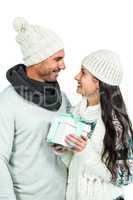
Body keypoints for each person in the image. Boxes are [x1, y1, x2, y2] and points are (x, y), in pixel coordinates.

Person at [0, 17, 87, 200]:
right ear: (38, 59)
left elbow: (72, 150)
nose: (63, 65)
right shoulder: (8, 101)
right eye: (57, 59)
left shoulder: (61, 98)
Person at [62, 50, 133, 200]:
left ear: (98, 83)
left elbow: (125, 177)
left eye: (83, 73)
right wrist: (63, 151)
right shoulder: (75, 112)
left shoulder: (118, 124)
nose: (76, 77)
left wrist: (86, 152)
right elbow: (75, 165)